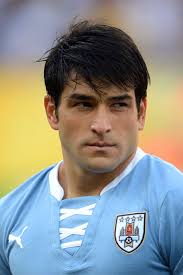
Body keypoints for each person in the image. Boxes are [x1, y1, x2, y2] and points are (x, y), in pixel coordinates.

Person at [0, 20, 183, 275]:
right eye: (84, 104)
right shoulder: (9, 215)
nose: (101, 125)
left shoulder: (174, 201)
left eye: (118, 105)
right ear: (52, 112)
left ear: (141, 113)